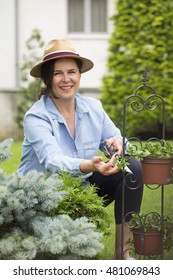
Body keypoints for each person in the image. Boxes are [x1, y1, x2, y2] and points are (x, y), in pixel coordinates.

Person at [18, 39, 143, 260]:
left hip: (80, 189)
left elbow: (117, 137)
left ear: (79, 75)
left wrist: (119, 144)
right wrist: (88, 165)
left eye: (72, 72)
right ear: (48, 78)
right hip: (42, 197)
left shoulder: (93, 108)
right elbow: (52, 161)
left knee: (132, 167)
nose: (66, 79)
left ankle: (122, 254)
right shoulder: (36, 116)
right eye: (58, 73)